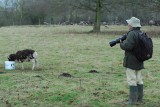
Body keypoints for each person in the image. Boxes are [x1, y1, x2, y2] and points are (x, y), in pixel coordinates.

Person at [120, 17, 144, 105]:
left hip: (131, 61)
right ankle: (140, 99)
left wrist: (121, 43)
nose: (128, 25)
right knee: (139, 79)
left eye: (129, 23)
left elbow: (127, 46)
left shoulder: (131, 34)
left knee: (132, 80)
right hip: (140, 60)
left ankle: (132, 101)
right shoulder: (141, 33)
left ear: (132, 25)